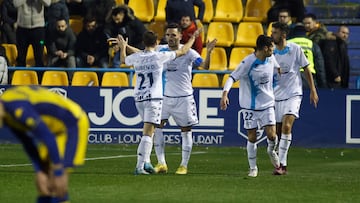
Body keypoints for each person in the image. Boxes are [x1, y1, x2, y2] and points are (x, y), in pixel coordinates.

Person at [119, 28, 199, 175]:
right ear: (156, 43)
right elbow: (181, 52)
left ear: (143, 42)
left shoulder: (138, 57)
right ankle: (140, 166)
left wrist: (123, 47)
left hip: (138, 97)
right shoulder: (159, 56)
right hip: (153, 99)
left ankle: (147, 162)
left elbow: (123, 60)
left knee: (150, 131)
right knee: (148, 133)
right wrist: (193, 39)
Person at [0, 86, 89, 203]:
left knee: (56, 182)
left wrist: (58, 169)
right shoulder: (7, 111)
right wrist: (39, 169)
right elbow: (28, 143)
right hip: (54, 130)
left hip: (72, 123)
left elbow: (47, 136)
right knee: (43, 184)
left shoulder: (18, 109)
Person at [153, 24, 216, 175]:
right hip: (164, 98)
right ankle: (161, 163)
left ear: (180, 36)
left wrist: (209, 52)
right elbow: (143, 53)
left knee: (186, 130)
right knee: (157, 127)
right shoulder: (160, 50)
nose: (170, 38)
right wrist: (125, 46)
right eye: (168, 35)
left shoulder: (190, 53)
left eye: (174, 35)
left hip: (184, 98)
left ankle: (183, 165)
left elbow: (205, 67)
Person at [220, 35, 281, 178]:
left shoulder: (271, 58)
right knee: (252, 137)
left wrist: (280, 71)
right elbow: (232, 77)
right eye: (272, 47)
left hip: (267, 104)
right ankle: (253, 168)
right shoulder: (248, 62)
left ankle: (271, 151)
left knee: (272, 135)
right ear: (265, 48)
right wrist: (224, 94)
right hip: (250, 107)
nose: (273, 49)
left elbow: (277, 67)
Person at [271, 22, 319, 175]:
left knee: (286, 127)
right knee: (277, 132)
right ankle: (279, 160)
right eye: (272, 32)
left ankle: (282, 165)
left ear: (283, 35)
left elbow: (306, 68)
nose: (273, 35)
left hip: (293, 93)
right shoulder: (271, 52)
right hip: (275, 95)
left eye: (275, 32)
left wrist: (312, 90)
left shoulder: (295, 49)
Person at [288, 23, 327, 88]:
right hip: (308, 76)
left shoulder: (287, 43)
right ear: (305, 33)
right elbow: (319, 65)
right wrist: (323, 84)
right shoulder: (311, 44)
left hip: (290, 76)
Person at [14, 0, 51, 67]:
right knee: (21, 57)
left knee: (39, 57)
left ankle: (39, 76)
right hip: (22, 28)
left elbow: (48, 3)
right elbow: (15, 4)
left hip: (38, 28)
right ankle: (21, 76)